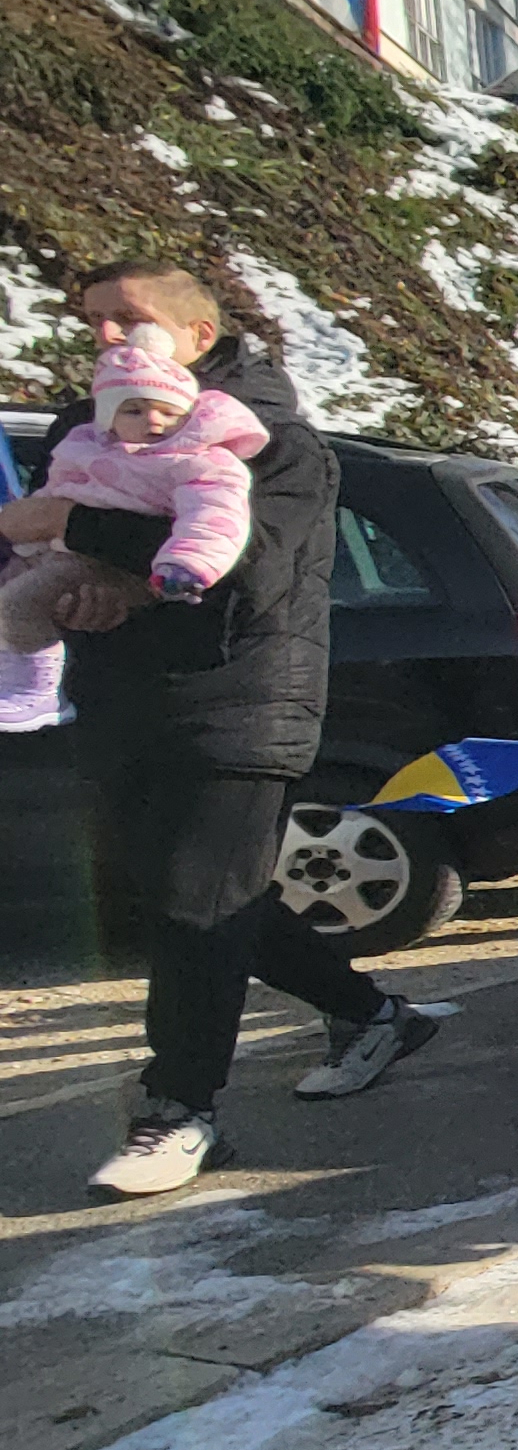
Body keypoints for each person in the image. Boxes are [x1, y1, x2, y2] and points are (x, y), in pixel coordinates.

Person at [2, 264, 434, 1197]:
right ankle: (372, 1013)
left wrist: (74, 519)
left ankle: (178, 1110)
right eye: (96, 325)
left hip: (244, 693)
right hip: (122, 695)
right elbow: (61, 552)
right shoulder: (90, 432)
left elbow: (252, 569)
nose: (112, 339)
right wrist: (81, 591)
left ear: (199, 336)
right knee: (185, 895)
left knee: (198, 900)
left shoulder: (271, 441)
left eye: (132, 320)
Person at [2, 326, 267, 735]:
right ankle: (14, 676)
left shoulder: (198, 461)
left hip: (134, 570)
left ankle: (36, 692)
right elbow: (56, 494)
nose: (154, 421)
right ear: (108, 417)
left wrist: (187, 564)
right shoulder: (90, 449)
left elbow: (215, 517)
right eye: (134, 410)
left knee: (22, 603)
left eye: (169, 411)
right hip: (63, 553)